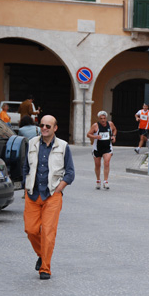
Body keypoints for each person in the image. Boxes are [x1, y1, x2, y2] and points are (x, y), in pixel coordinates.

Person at [23, 115, 75, 280]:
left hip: (52, 194)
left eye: (48, 126)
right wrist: (26, 182)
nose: (44, 128)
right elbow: (25, 167)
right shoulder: (32, 143)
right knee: (30, 230)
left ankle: (45, 268)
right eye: (42, 125)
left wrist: (60, 187)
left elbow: (70, 172)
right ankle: (41, 254)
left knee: (48, 233)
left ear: (55, 128)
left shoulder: (63, 146)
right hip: (33, 194)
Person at [87, 111, 117, 189]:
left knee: (106, 163)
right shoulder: (95, 126)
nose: (103, 120)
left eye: (104, 118)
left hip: (107, 148)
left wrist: (113, 136)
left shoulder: (110, 124)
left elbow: (115, 130)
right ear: (99, 119)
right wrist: (95, 137)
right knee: (98, 165)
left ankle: (106, 181)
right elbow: (88, 134)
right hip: (97, 148)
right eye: (101, 118)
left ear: (106, 118)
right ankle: (98, 180)